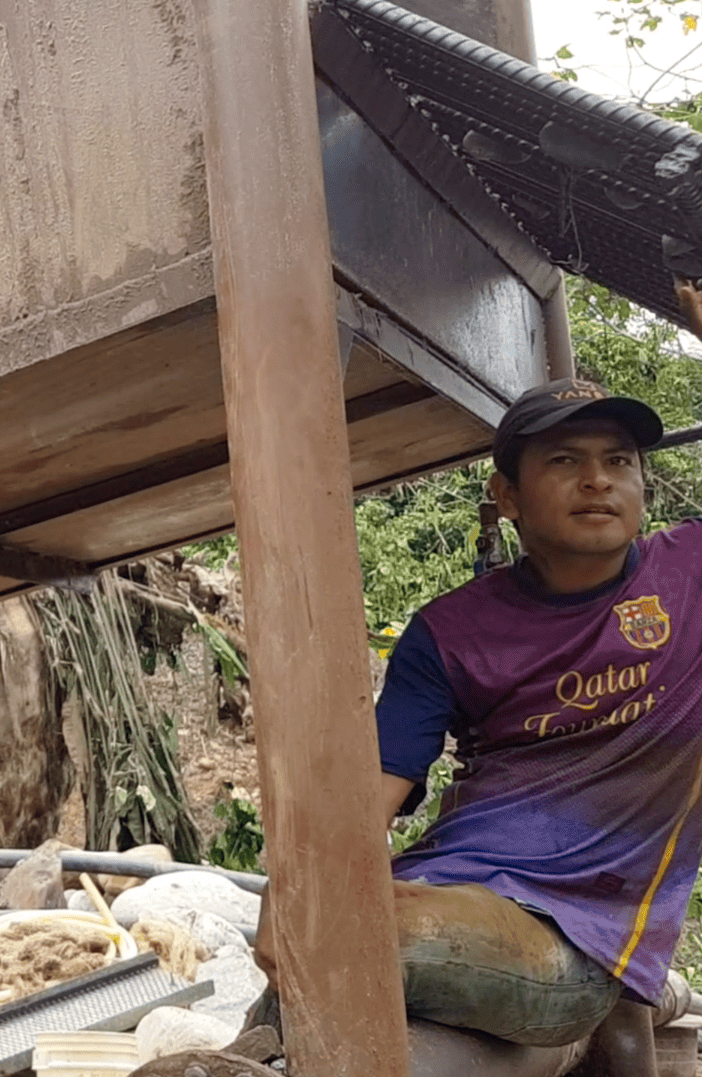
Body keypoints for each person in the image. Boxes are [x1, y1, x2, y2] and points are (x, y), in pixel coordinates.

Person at [249, 365, 695, 1074]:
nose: (598, 480)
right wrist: (300, 886)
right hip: (444, 887)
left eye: (619, 461)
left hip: (572, 930)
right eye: (564, 460)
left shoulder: (690, 577)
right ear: (507, 495)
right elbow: (374, 789)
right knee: (328, 955)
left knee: (352, 941)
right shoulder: (450, 630)